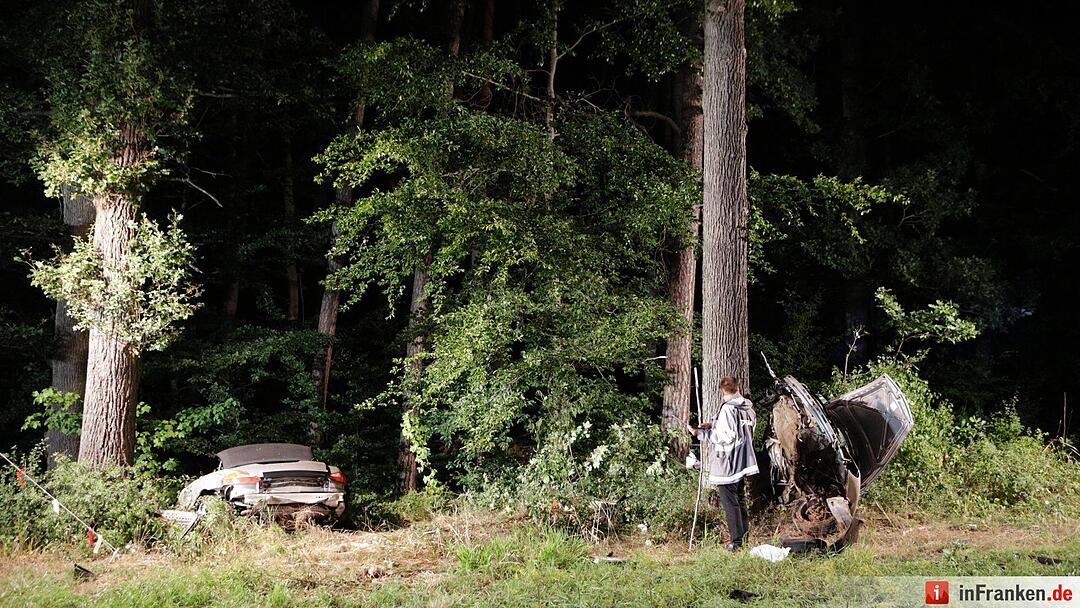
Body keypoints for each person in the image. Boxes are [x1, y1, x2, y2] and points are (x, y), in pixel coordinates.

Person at [686, 375, 758, 551]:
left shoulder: (727, 408)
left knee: (730, 502)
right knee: (739, 499)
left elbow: (725, 436)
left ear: (721, 391)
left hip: (728, 462)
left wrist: (699, 434)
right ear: (738, 388)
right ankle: (743, 538)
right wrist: (713, 424)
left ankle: (736, 543)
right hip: (743, 459)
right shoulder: (748, 408)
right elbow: (744, 429)